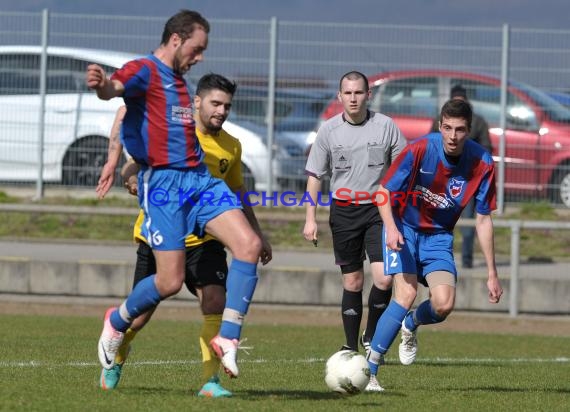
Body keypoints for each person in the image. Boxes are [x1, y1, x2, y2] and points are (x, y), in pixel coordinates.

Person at [87, 9, 265, 379]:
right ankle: (117, 321)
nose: (199, 57)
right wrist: (102, 85)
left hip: (198, 180)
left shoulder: (181, 84)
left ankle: (227, 338)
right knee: (168, 282)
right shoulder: (144, 70)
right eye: (197, 49)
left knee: (248, 245)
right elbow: (115, 94)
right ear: (176, 40)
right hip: (164, 186)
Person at [367, 98, 503, 388]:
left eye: (460, 130)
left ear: (470, 130)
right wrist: (390, 228)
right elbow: (382, 193)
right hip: (403, 228)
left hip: (439, 236)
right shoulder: (420, 149)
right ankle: (370, 372)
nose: (453, 136)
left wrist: (492, 272)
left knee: (443, 305)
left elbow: (483, 220)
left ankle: (411, 324)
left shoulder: (483, 163)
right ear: (440, 125)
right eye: (448, 128)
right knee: (404, 295)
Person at [303, 70, 406, 392]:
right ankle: (350, 347)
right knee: (352, 281)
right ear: (339, 96)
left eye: (358, 93)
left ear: (368, 95)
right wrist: (310, 217)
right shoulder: (329, 131)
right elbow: (315, 176)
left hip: (378, 210)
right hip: (344, 212)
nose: (353, 98)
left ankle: (371, 334)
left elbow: (403, 165)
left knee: (385, 278)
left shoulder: (386, 126)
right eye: (347, 93)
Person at [431, 85, 493, 269]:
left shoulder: (478, 122)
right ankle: (435, 259)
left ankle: (466, 260)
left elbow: (486, 148)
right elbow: (431, 143)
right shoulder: (440, 120)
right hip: (442, 180)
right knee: (437, 222)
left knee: (468, 224)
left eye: (459, 130)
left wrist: (468, 158)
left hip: (467, 181)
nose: (453, 136)